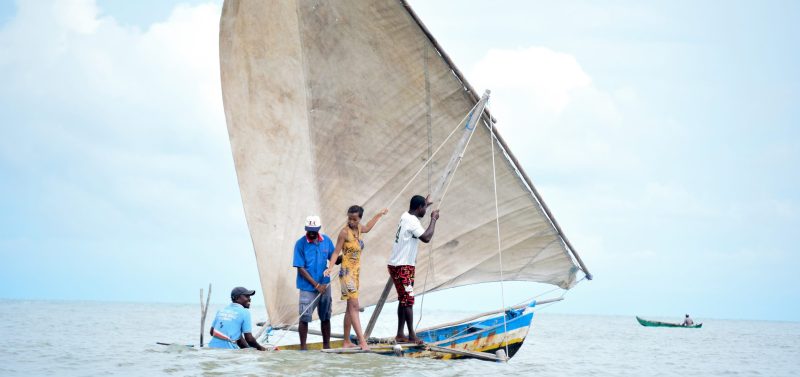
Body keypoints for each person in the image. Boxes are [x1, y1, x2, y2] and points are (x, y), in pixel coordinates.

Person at [324, 205, 389, 350]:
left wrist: (379, 214)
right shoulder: (344, 232)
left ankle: (346, 341)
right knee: (354, 306)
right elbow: (335, 252)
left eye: (354, 219)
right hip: (346, 273)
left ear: (359, 219)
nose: (351, 221)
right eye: (349, 218)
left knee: (349, 308)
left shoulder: (359, 229)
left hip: (356, 273)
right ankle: (362, 342)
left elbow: (368, 227)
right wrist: (329, 268)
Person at [387, 195, 439, 344]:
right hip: (401, 267)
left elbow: (416, 218)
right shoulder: (412, 221)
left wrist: (426, 205)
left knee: (404, 300)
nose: (425, 210)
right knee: (408, 300)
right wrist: (433, 219)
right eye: (424, 207)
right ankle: (411, 335)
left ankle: (400, 334)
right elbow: (427, 238)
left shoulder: (406, 215)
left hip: (402, 265)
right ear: (419, 208)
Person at [293, 215, 335, 350]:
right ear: (306, 229)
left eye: (314, 230)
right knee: (304, 318)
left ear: (318, 229)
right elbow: (300, 268)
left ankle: (327, 347)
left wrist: (349, 251)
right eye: (309, 230)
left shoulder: (326, 241)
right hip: (307, 287)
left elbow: (334, 258)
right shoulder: (300, 244)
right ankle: (303, 348)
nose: (311, 233)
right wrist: (316, 285)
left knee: (326, 316)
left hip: (325, 284)